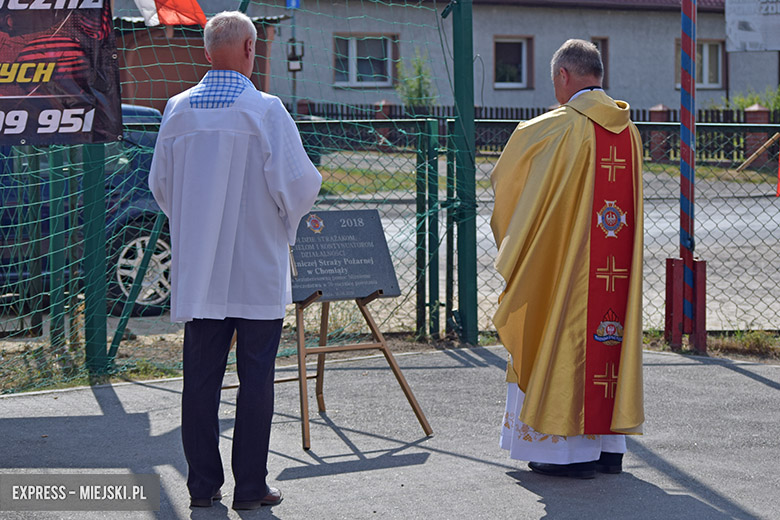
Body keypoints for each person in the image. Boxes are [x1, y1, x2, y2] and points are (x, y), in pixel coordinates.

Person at [148, 11, 322, 509]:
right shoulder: (266, 110)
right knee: (257, 379)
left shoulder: (177, 110)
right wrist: (280, 223)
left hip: (200, 271)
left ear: (207, 52)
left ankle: (202, 487)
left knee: (199, 380)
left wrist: (195, 224)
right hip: (255, 268)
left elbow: (161, 186)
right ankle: (251, 487)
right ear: (251, 49)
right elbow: (300, 185)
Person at [490, 39, 644, 479]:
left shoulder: (550, 128)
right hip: (614, 271)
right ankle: (608, 449)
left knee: (560, 334)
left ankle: (566, 455)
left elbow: (511, 198)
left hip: (566, 269)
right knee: (607, 339)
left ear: (563, 76)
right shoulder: (628, 131)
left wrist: (519, 251)